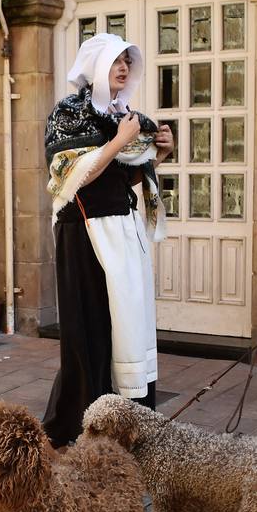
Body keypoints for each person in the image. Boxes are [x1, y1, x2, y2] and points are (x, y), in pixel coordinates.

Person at [41, 33, 173, 448]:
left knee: (127, 328)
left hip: (121, 231)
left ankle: (126, 422)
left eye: (128, 62)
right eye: (115, 60)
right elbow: (73, 175)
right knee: (91, 331)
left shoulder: (126, 116)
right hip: (84, 235)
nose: (123, 68)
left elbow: (121, 176)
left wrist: (159, 153)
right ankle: (82, 424)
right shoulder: (69, 114)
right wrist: (119, 141)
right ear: (96, 66)